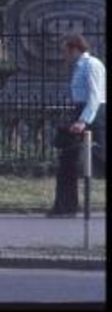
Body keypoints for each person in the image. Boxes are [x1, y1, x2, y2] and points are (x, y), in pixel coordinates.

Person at [50, 33, 106, 216]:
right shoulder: (79, 66)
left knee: (100, 158)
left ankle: (66, 206)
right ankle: (65, 206)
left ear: (75, 49)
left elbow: (95, 96)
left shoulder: (91, 65)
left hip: (93, 115)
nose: (63, 55)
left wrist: (83, 121)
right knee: (67, 160)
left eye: (65, 51)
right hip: (81, 111)